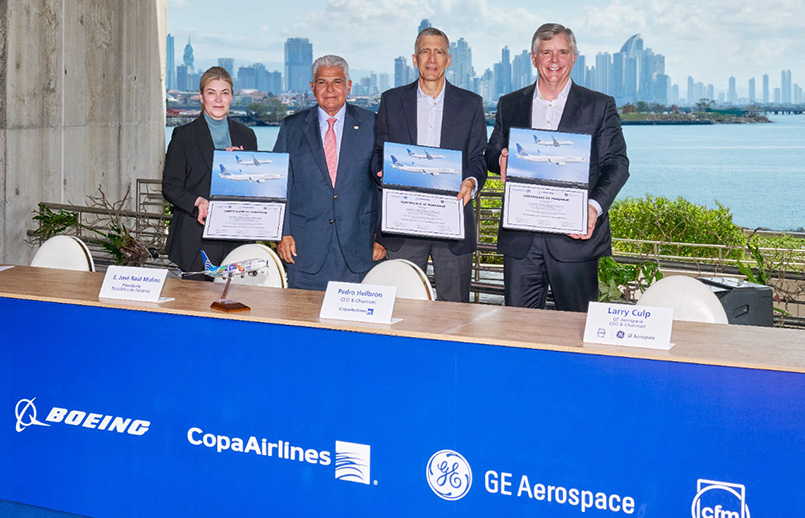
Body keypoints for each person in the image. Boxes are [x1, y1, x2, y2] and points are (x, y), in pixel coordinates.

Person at [485, 23, 629, 312]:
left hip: (575, 240)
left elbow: (617, 164)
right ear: (533, 58)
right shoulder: (510, 103)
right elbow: (490, 152)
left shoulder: (599, 105)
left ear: (574, 58)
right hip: (521, 240)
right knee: (518, 329)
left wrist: (593, 207)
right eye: (546, 52)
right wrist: (498, 158)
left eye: (563, 52)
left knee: (576, 330)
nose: (554, 60)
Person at [373, 27, 487, 303]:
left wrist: (471, 182)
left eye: (439, 52)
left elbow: (477, 159)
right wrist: (381, 172)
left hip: (453, 224)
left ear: (449, 60)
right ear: (415, 59)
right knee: (401, 306)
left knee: (455, 311)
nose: (432, 58)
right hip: (404, 224)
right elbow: (378, 152)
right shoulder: (391, 100)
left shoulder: (471, 104)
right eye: (425, 51)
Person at [274, 55, 383, 290]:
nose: (330, 89)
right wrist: (283, 233)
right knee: (303, 323)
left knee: (355, 325)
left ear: (349, 86)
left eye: (337, 82)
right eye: (322, 82)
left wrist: (382, 237)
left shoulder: (372, 124)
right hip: (303, 250)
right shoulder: (291, 127)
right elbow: (279, 185)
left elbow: (383, 184)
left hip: (360, 249)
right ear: (313, 88)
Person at [162, 66, 257, 279]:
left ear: (232, 97)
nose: (218, 100)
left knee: (235, 305)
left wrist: (242, 167)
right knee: (194, 306)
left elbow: (254, 189)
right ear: (201, 97)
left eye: (224, 93)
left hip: (236, 237)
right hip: (196, 238)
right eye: (211, 93)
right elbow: (170, 187)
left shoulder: (247, 135)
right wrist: (197, 201)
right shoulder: (184, 136)